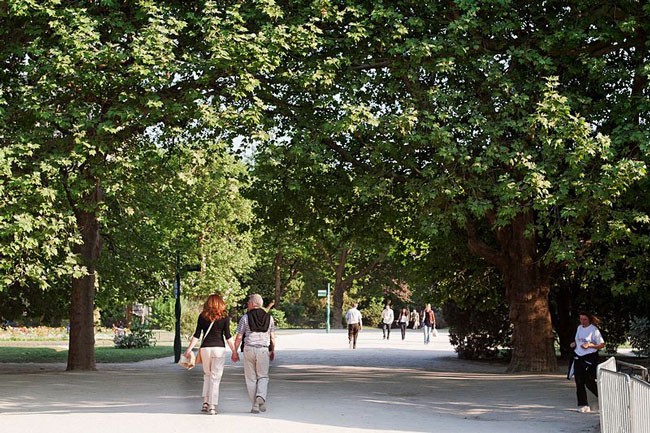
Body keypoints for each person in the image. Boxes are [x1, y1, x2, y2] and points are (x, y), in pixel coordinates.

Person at [183, 294, 236, 415]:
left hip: (205, 349)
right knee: (215, 378)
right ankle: (212, 406)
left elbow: (197, 335)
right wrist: (234, 351)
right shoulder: (224, 317)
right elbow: (228, 336)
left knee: (207, 375)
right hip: (218, 349)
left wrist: (188, 349)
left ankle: (205, 402)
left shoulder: (202, 317)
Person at [232, 294, 276, 414]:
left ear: (252, 303)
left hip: (249, 349)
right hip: (263, 350)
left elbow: (239, 337)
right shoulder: (269, 318)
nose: (247, 304)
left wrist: (234, 351)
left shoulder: (245, 318)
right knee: (263, 376)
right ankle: (260, 396)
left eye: (248, 303)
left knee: (250, 379)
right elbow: (272, 337)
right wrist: (272, 350)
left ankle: (255, 405)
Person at [569, 312, 605, 413]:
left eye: (584, 319)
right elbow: (577, 340)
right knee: (579, 381)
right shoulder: (579, 328)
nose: (582, 322)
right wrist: (574, 343)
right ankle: (583, 404)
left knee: (589, 382)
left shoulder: (594, 330)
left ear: (589, 319)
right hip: (578, 356)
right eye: (581, 319)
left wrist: (589, 345)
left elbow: (601, 345)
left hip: (589, 358)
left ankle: (604, 398)